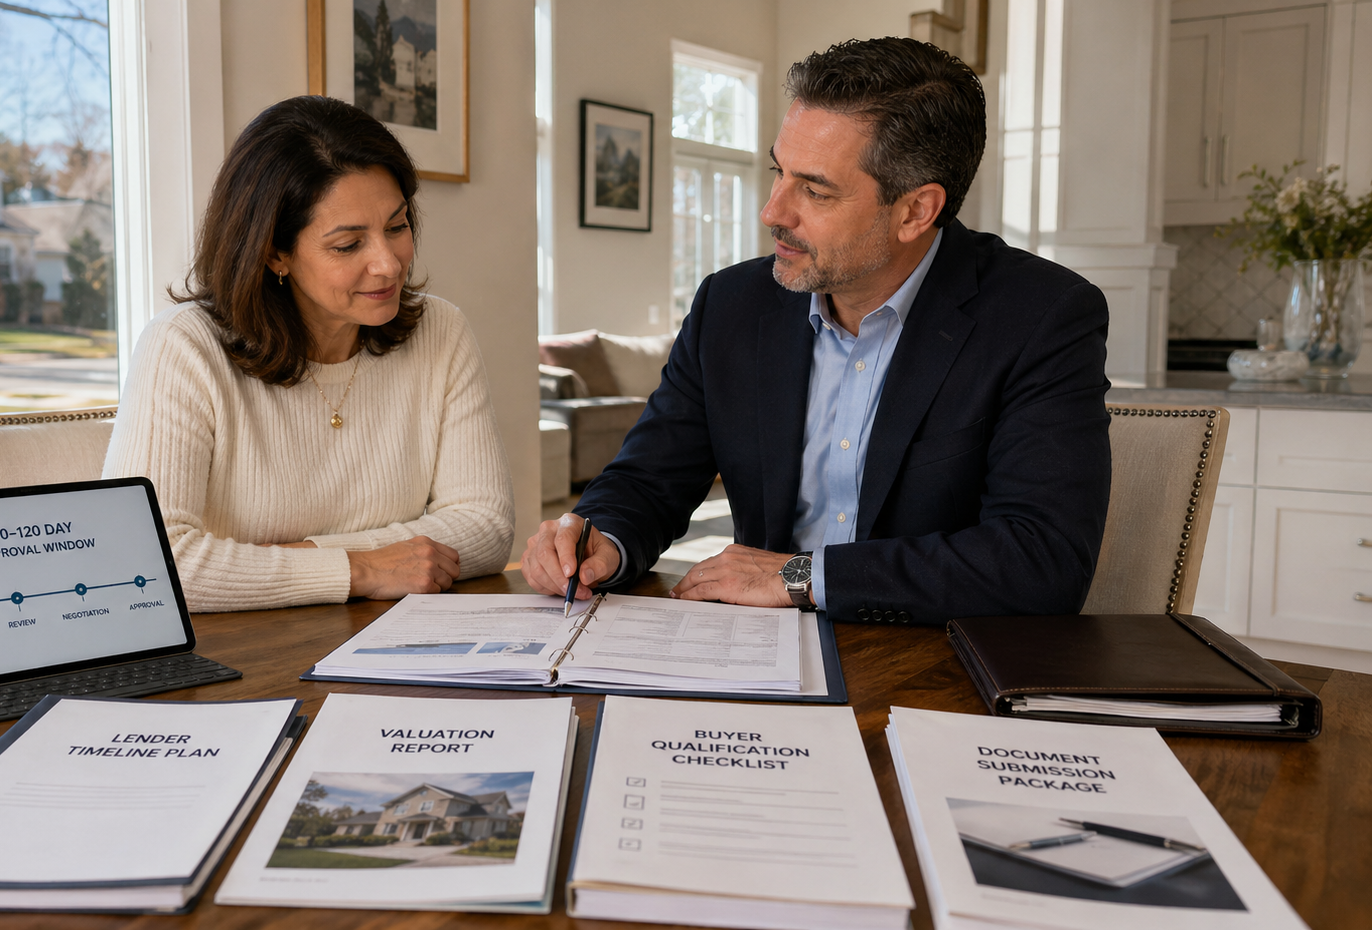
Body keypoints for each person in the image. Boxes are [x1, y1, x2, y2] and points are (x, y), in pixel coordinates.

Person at [521, 37, 1111, 626]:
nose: (773, 211)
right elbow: (651, 477)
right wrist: (601, 539)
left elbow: (1042, 560)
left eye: (815, 190)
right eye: (779, 172)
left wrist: (799, 576)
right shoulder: (731, 304)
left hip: (931, 665)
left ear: (916, 211)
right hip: (760, 653)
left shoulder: (1042, 317)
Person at [103, 96, 514, 612]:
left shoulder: (442, 331)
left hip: (398, 643)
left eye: (397, 226)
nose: (388, 264)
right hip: (247, 662)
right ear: (275, 251)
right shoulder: (184, 347)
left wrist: (301, 558)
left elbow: (486, 526)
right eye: (348, 245)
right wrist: (362, 569)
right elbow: (142, 566)